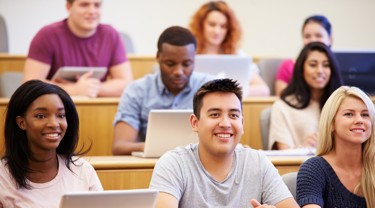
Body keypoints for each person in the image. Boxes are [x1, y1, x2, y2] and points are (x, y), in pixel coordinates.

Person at [148, 78, 308, 208]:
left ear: (242, 123)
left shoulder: (257, 162)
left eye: (233, 115)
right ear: (195, 123)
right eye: (215, 114)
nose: (225, 123)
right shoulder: (173, 163)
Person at [0, 80, 103, 208]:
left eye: (61, 115)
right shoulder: (2, 176)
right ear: (21, 122)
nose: (54, 124)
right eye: (41, 116)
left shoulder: (83, 169)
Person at [112, 26, 213, 155]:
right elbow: (119, 146)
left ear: (194, 59)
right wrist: (150, 147)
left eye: (186, 64)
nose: (178, 72)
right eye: (170, 64)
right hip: (152, 167)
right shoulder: (136, 91)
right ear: (158, 57)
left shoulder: (210, 88)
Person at [297, 86, 375, 208]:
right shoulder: (314, 168)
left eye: (365, 115)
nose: (359, 120)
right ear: (331, 123)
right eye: (349, 114)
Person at [23, 0, 133, 98]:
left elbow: (126, 83)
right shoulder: (47, 35)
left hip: (95, 109)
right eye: (84, 4)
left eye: (97, 5)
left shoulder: (111, 35)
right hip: (56, 110)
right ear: (68, 7)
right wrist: (74, 90)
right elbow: (30, 83)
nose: (92, 11)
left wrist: (92, 88)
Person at [268, 42, 342, 150]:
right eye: (313, 65)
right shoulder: (282, 107)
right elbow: (284, 155)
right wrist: (303, 147)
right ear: (301, 69)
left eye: (326, 65)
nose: (320, 71)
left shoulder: (342, 104)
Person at [189, 1, 270, 97]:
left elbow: (263, 90)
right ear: (201, 25)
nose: (217, 31)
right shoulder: (190, 53)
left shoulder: (237, 56)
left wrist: (230, 91)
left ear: (229, 30)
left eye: (223, 26)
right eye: (212, 24)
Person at [275, 15, 332, 96]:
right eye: (307, 36)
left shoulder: (338, 66)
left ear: (330, 39)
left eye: (318, 35)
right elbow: (282, 97)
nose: (312, 40)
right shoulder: (288, 66)